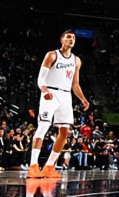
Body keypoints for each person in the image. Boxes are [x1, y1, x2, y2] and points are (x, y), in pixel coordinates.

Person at [27, 30, 89, 179]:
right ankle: (33, 166)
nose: (71, 39)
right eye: (68, 37)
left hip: (66, 96)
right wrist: (45, 90)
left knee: (65, 132)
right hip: (50, 93)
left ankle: (49, 166)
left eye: (73, 38)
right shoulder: (52, 55)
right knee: (43, 127)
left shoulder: (76, 60)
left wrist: (83, 99)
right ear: (62, 40)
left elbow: (75, 84)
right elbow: (41, 79)